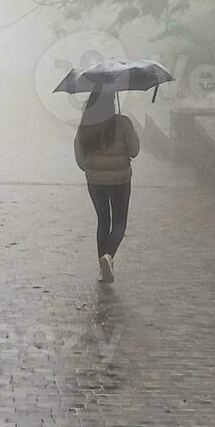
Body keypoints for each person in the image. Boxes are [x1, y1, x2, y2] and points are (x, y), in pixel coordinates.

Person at [73, 88, 140, 283]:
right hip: (120, 180)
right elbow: (134, 151)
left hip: (95, 182)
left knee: (103, 220)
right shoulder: (123, 122)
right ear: (112, 102)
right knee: (120, 222)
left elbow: (79, 157)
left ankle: (104, 269)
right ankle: (108, 256)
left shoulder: (85, 125)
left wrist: (91, 167)